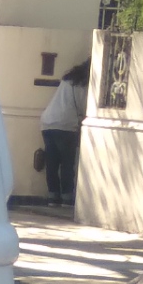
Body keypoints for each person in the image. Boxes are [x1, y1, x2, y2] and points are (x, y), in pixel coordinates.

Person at [38, 59, 89, 208]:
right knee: (67, 163)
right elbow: (84, 107)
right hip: (65, 125)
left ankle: (52, 197)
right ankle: (67, 197)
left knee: (52, 163)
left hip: (47, 121)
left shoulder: (67, 80)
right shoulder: (83, 86)